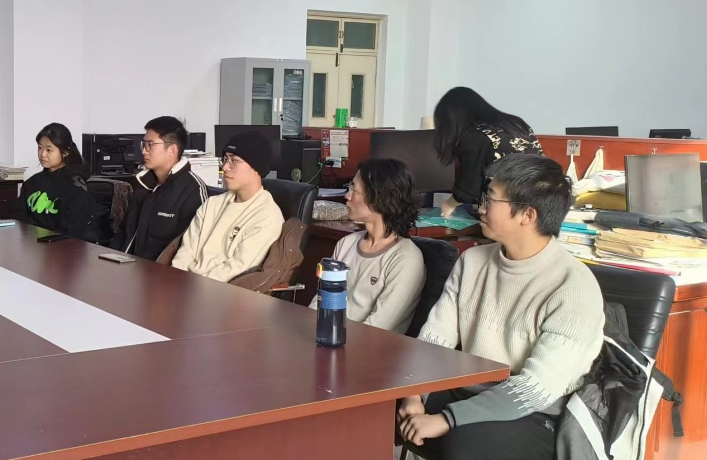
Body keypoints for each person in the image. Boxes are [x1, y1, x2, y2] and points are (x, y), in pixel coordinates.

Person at [390, 154, 604, 460]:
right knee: (365, 413)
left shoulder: (572, 286)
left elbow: (533, 391)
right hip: (468, 394)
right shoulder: (473, 261)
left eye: (491, 198)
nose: (480, 206)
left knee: (465, 451)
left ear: (527, 215)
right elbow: (433, 341)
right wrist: (414, 396)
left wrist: (446, 419)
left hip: (540, 419)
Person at [306, 158, 424, 335]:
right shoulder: (346, 244)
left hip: (370, 347)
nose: (347, 196)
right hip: (328, 339)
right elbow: (320, 304)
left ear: (378, 198)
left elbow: (378, 327)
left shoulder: (406, 259)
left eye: (354, 189)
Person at [171, 130, 282, 282]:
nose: (225, 167)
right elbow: (186, 251)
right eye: (225, 159)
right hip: (183, 285)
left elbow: (235, 269)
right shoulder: (212, 204)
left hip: (219, 291)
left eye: (234, 160)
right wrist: (175, 280)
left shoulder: (267, 217)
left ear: (257, 168)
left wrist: (190, 287)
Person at [432, 86, 542, 218]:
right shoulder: (516, 123)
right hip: (541, 202)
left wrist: (449, 204)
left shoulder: (474, 137)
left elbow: (467, 190)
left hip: (509, 210)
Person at [112, 116, 207, 260]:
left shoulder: (192, 190)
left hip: (160, 271)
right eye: (143, 144)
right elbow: (124, 234)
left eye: (150, 145)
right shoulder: (143, 184)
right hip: (126, 265)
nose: (144, 151)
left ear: (172, 150)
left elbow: (189, 249)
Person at [16, 123, 102, 242]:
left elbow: (72, 230)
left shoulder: (76, 186)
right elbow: (19, 220)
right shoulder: (31, 183)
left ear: (65, 152)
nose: (42, 154)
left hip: (63, 247)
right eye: (40, 148)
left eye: (49, 150)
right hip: (32, 244)